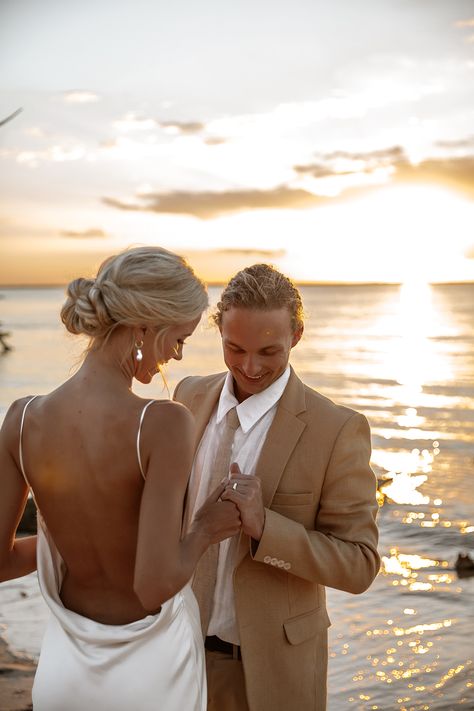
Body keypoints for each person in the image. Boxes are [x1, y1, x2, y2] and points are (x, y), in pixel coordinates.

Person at [0, 246, 241, 711]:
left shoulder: (21, 419)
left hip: (64, 675)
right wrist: (205, 530)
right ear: (144, 327)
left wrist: (78, 534)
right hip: (151, 674)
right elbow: (153, 585)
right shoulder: (162, 423)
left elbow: (1, 562)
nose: (176, 354)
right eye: (178, 338)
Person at [174, 264, 380, 711]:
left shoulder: (337, 429)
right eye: (235, 348)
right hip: (175, 658)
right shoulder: (187, 396)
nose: (250, 367)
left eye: (269, 351)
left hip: (271, 675)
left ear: (297, 335)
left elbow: (360, 564)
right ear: (219, 332)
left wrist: (266, 526)